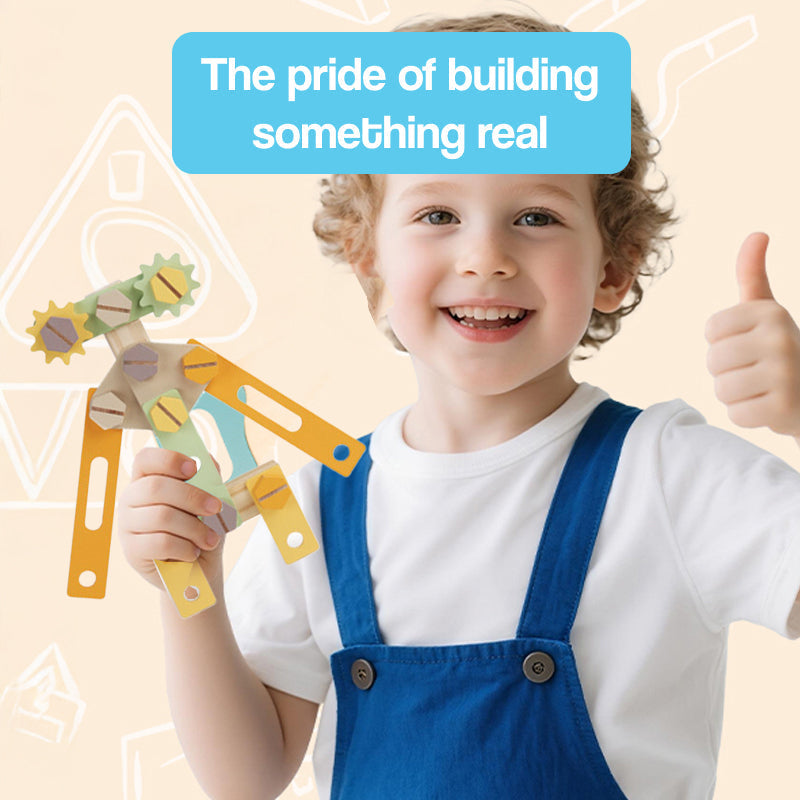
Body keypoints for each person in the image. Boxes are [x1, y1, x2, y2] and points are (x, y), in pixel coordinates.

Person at [117, 10, 800, 800]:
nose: (486, 257)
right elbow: (246, 778)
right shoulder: (309, 501)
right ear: (367, 253)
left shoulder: (671, 477)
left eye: (536, 217)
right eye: (438, 214)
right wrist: (187, 584)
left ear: (615, 265)